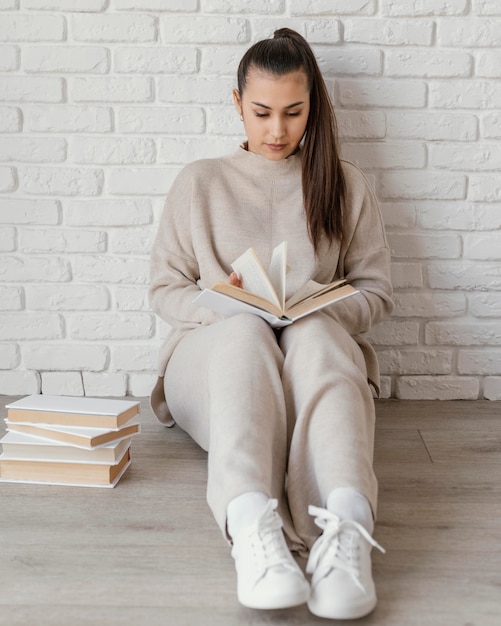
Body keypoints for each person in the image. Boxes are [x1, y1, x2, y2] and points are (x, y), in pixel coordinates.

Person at [149, 28, 393, 620]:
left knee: (314, 333)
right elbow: (164, 290)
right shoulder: (200, 181)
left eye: (293, 112)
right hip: (215, 360)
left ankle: (347, 524)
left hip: (310, 358)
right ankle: (250, 525)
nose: (277, 131)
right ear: (237, 104)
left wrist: (319, 303)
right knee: (244, 333)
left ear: (314, 108)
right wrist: (219, 301)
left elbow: (377, 294)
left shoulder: (345, 183)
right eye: (261, 113)